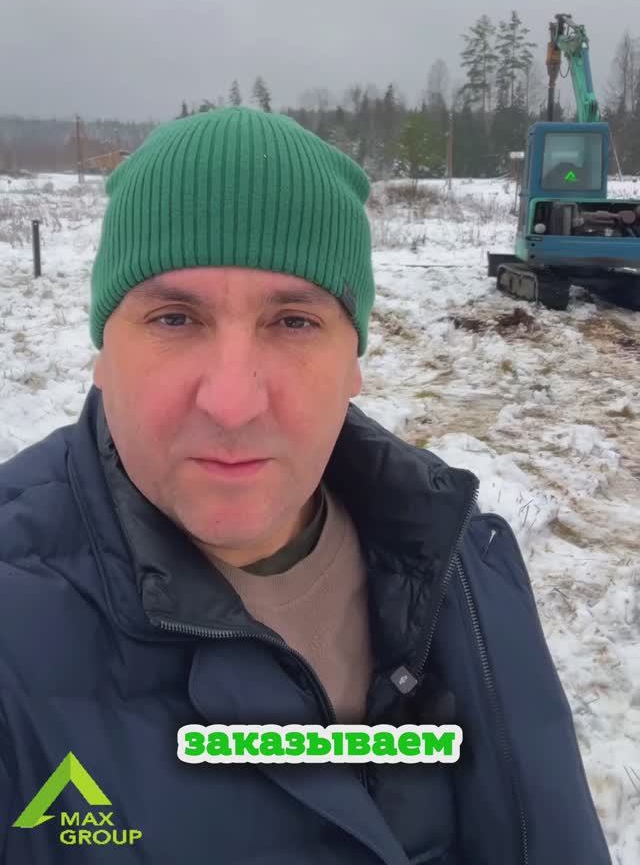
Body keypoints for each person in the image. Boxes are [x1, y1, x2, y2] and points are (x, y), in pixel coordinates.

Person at [0, 107, 611, 864]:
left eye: (293, 322)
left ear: (354, 361)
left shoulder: (465, 565)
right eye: (174, 319)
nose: (231, 401)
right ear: (102, 352)